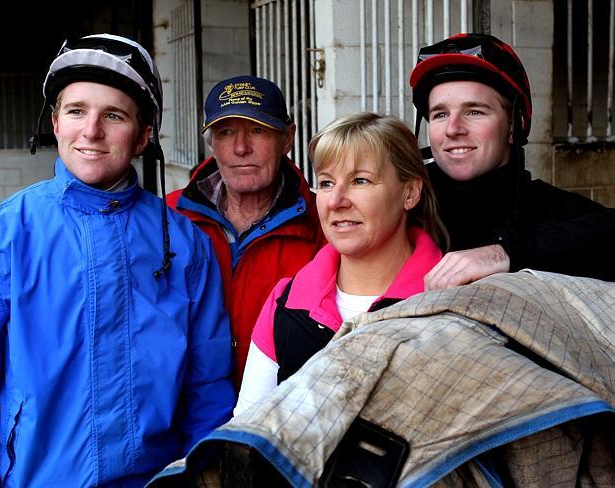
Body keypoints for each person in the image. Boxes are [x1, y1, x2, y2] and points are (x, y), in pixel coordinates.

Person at [0, 34, 235, 486]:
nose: (91, 131)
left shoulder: (185, 246)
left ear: (144, 135)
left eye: (113, 115)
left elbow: (207, 386)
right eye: (76, 111)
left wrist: (199, 477)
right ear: (55, 124)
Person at [235, 112, 447, 414]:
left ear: (410, 193)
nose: (336, 201)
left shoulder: (450, 302)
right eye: (325, 183)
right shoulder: (286, 302)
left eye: (360, 180)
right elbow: (248, 431)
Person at [409, 33, 615, 289]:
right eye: (440, 114)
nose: (453, 129)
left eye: (474, 111)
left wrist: (507, 251)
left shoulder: (549, 210)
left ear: (515, 125)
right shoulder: (403, 203)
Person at [166, 75, 326, 389]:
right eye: (226, 132)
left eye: (258, 130)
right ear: (212, 143)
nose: (241, 148)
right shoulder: (171, 217)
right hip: (186, 416)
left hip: (282, 412)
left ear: (287, 139)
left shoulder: (323, 222)